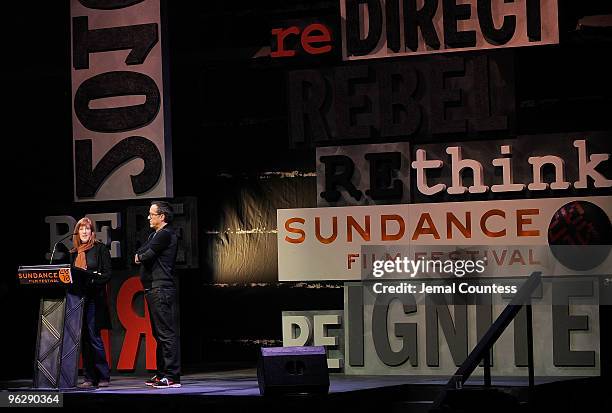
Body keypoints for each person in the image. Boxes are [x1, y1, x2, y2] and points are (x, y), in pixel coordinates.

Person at [135, 201, 181, 388]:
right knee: (158, 334)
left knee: (165, 334)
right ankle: (162, 373)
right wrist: (140, 254)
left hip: (161, 288)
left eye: (152, 214)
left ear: (162, 217)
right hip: (153, 288)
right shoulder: (154, 234)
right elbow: (139, 252)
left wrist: (141, 255)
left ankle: (172, 376)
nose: (148, 217)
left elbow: (145, 256)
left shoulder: (165, 234)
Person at [69, 217, 112, 389]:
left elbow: (107, 274)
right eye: (81, 229)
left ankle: (103, 376)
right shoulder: (73, 253)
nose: (84, 232)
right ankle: (88, 377)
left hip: (94, 299)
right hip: (78, 301)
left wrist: (92, 279)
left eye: (87, 229)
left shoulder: (100, 249)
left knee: (94, 336)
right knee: (84, 339)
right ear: (77, 233)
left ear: (92, 232)